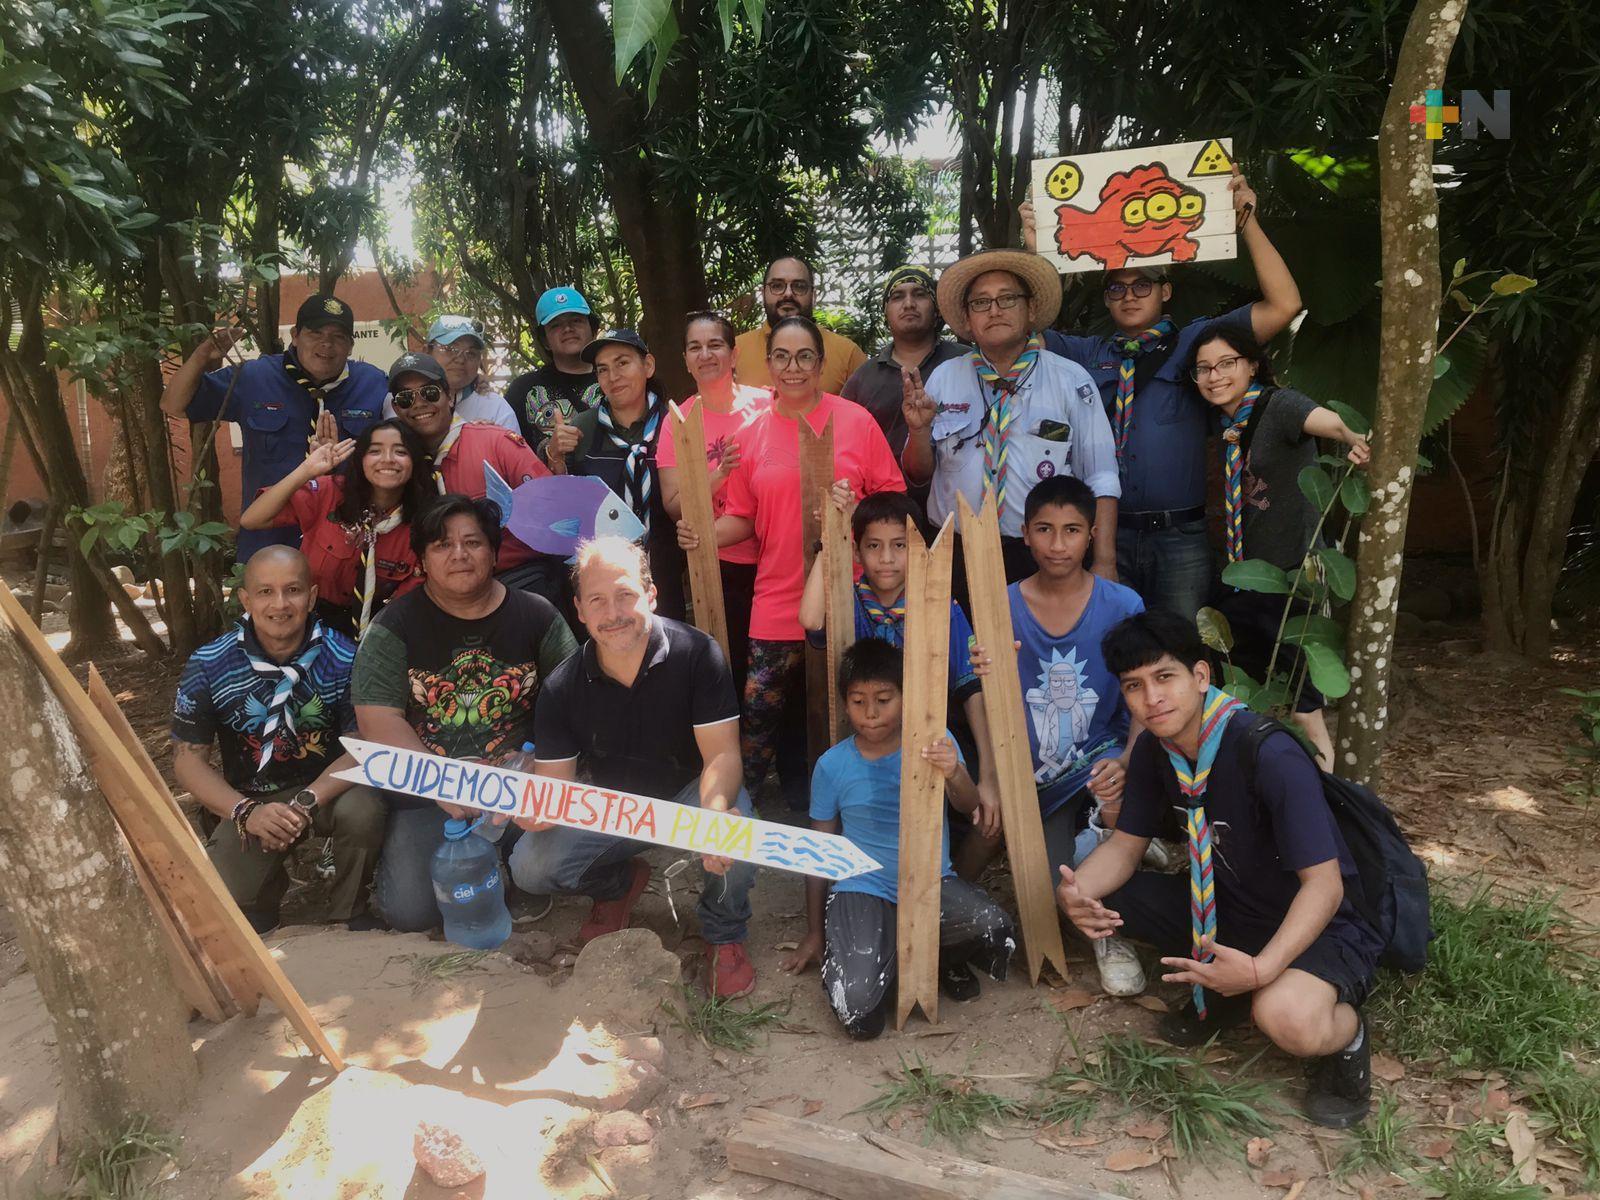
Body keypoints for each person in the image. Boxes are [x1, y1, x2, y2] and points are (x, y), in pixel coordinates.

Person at [1058, 610, 1382, 1127]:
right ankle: (1227, 990)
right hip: (1229, 905)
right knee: (1107, 897)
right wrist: (1074, 896)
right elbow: (1124, 847)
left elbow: (1324, 886)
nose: (1152, 698)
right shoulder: (1156, 752)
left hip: (1321, 922)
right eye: (1134, 686)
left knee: (1286, 1018)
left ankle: (1346, 1041)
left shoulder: (1266, 751)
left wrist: (1263, 969)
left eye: (1165, 677)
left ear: (1202, 676)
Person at [1022, 167, 1303, 621]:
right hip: (1105, 536)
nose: (1129, 295)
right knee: (1115, 649)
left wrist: (1246, 219)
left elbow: (1284, 305)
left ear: (1165, 291)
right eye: (1116, 287)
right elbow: (1022, 335)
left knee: (1182, 648)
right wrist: (1034, 247)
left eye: (1143, 284)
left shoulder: (1197, 342)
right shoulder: (1086, 352)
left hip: (1181, 538)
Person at [509, 537, 758, 996]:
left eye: (625, 594)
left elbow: (721, 755)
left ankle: (723, 932)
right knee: (529, 864)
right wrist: (535, 813)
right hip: (615, 808)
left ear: (652, 595)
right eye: (598, 601)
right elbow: (556, 790)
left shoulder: (698, 654)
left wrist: (715, 810)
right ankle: (618, 884)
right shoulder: (562, 687)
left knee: (735, 833)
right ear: (580, 610)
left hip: (690, 792)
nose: (613, 612)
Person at [677, 315, 905, 806]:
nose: (793, 367)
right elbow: (741, 516)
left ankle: (850, 807)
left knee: (850, 710)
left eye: (805, 356)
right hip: (777, 596)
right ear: (769, 364)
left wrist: (853, 510)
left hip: (852, 594)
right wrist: (702, 535)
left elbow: (894, 501)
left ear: (821, 364)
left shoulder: (855, 421)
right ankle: (743, 813)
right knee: (757, 713)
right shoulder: (754, 432)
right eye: (782, 356)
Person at [351, 495, 579, 932]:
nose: (459, 554)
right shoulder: (393, 626)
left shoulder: (537, 615)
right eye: (441, 545)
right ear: (421, 560)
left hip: (519, 785)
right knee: (411, 913)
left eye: (472, 542)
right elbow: (377, 720)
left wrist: (543, 762)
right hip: (430, 791)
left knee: (542, 871)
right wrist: (441, 780)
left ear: (494, 553)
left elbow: (571, 701)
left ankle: (513, 872)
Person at [963, 475, 1146, 995]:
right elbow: (981, 699)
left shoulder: (1122, 605)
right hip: (1029, 771)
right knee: (1044, 892)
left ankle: (1111, 932)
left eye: (1071, 530)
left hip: (1099, 759)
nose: (1058, 544)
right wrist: (992, 776)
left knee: (1115, 797)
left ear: (1092, 534)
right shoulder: (999, 603)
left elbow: (1140, 689)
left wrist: (1131, 756)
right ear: (1024, 534)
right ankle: (1091, 844)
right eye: (1045, 529)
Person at [779, 640, 1015, 1039]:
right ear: (845, 702)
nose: (871, 714)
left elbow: (967, 806)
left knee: (994, 928)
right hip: (862, 884)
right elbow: (820, 852)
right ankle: (878, 950)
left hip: (928, 881)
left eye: (884, 699)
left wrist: (954, 771)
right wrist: (815, 931)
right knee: (860, 1018)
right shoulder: (832, 765)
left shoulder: (934, 745)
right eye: (858, 701)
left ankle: (936, 959)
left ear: (905, 698)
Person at [172, 546, 385, 933]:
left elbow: (362, 746)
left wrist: (305, 802)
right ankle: (264, 896)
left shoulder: (346, 657)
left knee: (364, 809)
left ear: (313, 596)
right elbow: (187, 760)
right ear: (245, 599)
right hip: (252, 797)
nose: (280, 604)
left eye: (293, 590)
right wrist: (246, 812)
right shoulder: (209, 663)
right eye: (265, 592)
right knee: (228, 911)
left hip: (328, 792)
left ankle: (347, 912)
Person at [1190, 323, 1369, 769]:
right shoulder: (1214, 424)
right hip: (1235, 578)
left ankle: (1328, 795)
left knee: (1304, 703)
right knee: (1243, 692)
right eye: (1204, 368)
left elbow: (1328, 421)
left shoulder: (1279, 405)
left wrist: (1352, 438)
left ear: (1252, 364)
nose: (1215, 376)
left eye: (1227, 364)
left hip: (1292, 578)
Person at [900, 249, 1120, 585]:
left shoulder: (1070, 379)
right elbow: (919, 474)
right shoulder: (944, 377)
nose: (994, 310)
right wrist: (918, 431)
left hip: (1043, 554)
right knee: (962, 639)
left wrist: (1104, 560)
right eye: (981, 303)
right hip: (956, 552)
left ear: (1031, 309)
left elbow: (1101, 474)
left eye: (1007, 298)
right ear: (968, 319)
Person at [797, 490, 1000, 839]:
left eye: (900, 545)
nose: (887, 558)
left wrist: (990, 776)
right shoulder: (849, 600)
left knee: (988, 822)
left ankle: (950, 882)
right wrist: (831, 541)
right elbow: (811, 619)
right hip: (864, 737)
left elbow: (971, 689)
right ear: (857, 551)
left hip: (930, 739)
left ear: (918, 548)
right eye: (873, 546)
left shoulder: (939, 605)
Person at [160, 294, 388, 559]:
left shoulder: (373, 384)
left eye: (338, 336)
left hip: (346, 550)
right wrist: (200, 357)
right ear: (295, 335)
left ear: (350, 345)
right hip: (268, 544)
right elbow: (172, 405)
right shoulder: (255, 378)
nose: (327, 343)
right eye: (315, 332)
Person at [384, 351, 569, 606]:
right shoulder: (400, 465)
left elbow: (554, 508)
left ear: (449, 396)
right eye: (405, 398)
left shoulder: (495, 443)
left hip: (516, 583)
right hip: (439, 593)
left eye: (429, 393)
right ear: (396, 408)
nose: (418, 404)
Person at [657, 311, 772, 690]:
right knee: (732, 665)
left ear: (734, 354)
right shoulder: (679, 420)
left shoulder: (768, 405)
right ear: (687, 361)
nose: (705, 354)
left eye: (715, 345)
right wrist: (718, 475)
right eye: (695, 347)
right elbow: (674, 504)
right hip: (719, 565)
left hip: (777, 557)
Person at [239, 418, 432, 638]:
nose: (387, 460)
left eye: (400, 452)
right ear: (360, 460)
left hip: (375, 628)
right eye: (375, 451)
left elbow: (407, 602)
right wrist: (306, 470)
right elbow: (252, 519)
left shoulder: (422, 523)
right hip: (305, 622)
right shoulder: (330, 493)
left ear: (414, 461)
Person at [542, 328, 686, 620]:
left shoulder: (677, 424)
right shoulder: (582, 428)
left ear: (648, 366)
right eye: (602, 369)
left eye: (622, 363)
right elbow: (565, 504)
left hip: (672, 572)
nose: (613, 376)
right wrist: (554, 455)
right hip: (606, 579)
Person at [840, 266, 967, 467]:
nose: (909, 304)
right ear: (885, 312)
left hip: (959, 495)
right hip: (884, 496)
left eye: (919, 294)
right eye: (898, 297)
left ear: (936, 309)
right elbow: (845, 448)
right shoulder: (862, 379)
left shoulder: (966, 363)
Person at [734, 256, 867, 395]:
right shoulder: (735, 351)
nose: (788, 294)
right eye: (777, 286)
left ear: (813, 296)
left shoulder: (847, 354)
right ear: (762, 294)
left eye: (799, 286)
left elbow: (865, 413)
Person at [505, 287, 603, 452]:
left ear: (593, 330)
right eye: (556, 325)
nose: (567, 329)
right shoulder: (523, 389)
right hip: (545, 477)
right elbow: (507, 450)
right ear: (544, 340)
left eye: (576, 321)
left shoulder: (614, 379)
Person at [383, 315, 518, 432]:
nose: (460, 359)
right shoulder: (397, 399)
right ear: (426, 351)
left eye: (471, 353)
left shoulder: (495, 408)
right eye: (450, 349)